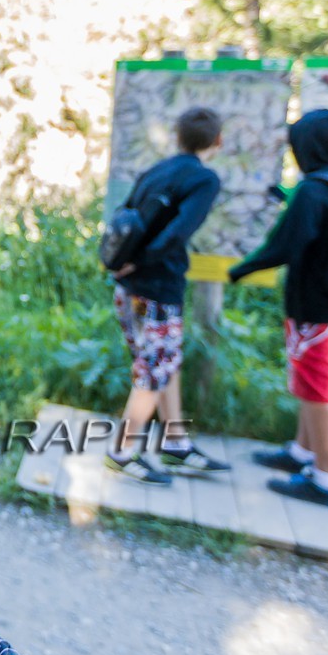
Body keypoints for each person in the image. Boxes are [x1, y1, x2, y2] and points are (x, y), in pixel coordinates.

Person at [229, 108, 328, 509]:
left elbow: (287, 244)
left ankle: (326, 480)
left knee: (321, 394)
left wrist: (242, 268)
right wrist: (286, 197)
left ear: (307, 147)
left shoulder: (313, 190)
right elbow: (323, 224)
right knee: (317, 386)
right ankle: (302, 454)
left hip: (314, 309)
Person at [105, 106, 233, 485]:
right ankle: (122, 451)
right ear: (218, 141)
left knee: (164, 365)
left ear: (177, 136)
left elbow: (123, 215)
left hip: (128, 289)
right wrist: (143, 262)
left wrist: (126, 263)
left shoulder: (156, 171)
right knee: (153, 370)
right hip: (158, 288)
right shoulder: (204, 179)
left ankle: (175, 442)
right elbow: (178, 232)